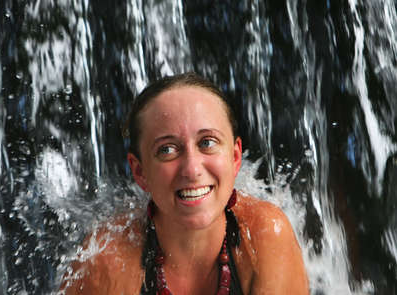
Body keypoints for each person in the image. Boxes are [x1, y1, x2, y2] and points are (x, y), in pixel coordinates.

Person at [60, 73, 309, 294]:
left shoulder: (265, 236)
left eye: (207, 142)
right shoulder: (109, 260)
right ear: (140, 171)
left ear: (234, 158)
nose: (191, 169)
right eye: (167, 149)